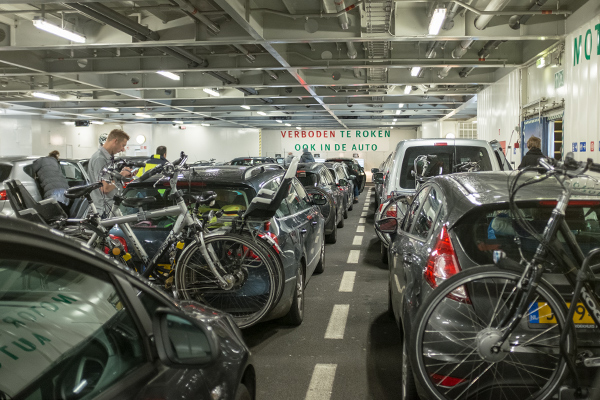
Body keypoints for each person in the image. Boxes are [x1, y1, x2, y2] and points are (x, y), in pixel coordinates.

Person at [88, 129, 132, 216]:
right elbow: (105, 188)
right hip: (104, 210)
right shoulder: (100, 159)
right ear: (115, 141)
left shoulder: (108, 158)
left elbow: (110, 179)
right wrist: (121, 175)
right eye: (122, 145)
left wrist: (123, 175)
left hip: (110, 207)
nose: (123, 149)